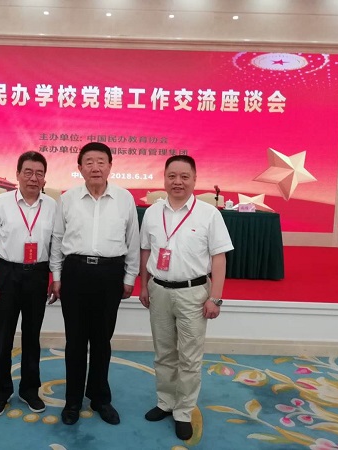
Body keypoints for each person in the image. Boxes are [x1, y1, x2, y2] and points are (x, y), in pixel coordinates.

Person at [138, 155, 233, 441]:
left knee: (189, 357)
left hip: (194, 293)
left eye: (184, 176)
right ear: (164, 178)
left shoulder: (209, 214)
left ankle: (183, 411)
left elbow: (219, 258)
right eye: (172, 176)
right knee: (164, 353)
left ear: (194, 179)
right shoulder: (153, 213)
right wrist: (144, 286)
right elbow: (146, 251)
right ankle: (166, 402)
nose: (177, 182)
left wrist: (215, 298)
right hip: (159, 290)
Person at [49, 141, 140, 426]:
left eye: (101, 161)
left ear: (110, 166)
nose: (95, 167)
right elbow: (57, 239)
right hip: (75, 273)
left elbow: (133, 241)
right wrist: (56, 276)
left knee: (102, 340)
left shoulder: (125, 198)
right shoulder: (68, 199)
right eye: (89, 162)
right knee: (75, 341)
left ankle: (100, 398)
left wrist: (129, 277)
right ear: (80, 168)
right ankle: (73, 401)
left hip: (110, 274)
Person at [0, 151, 57, 417]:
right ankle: (0, 392)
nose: (34, 178)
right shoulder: (1, 202)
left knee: (32, 337)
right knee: (4, 337)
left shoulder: (52, 205)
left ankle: (30, 390)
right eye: (28, 172)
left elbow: (56, 246)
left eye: (39, 173)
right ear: (18, 174)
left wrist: (55, 277)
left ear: (45, 178)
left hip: (37, 275)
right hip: (7, 274)